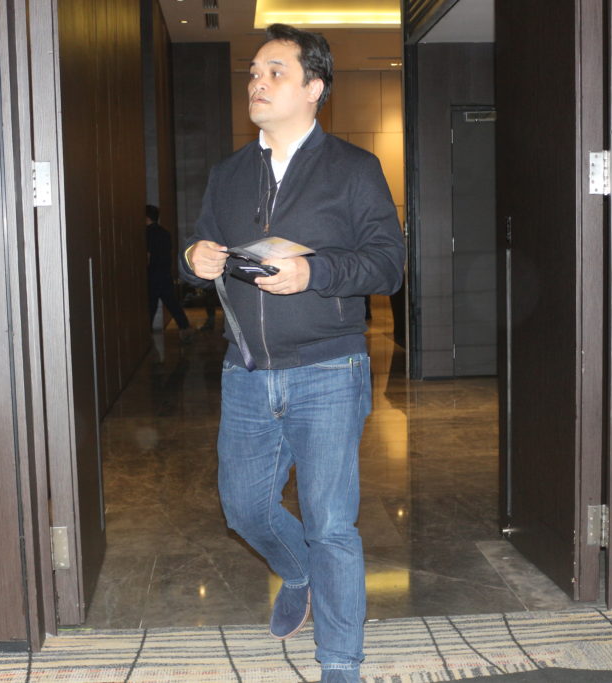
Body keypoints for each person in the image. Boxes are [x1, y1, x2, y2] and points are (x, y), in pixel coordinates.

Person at [179, 24, 405, 682]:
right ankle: (297, 570)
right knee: (244, 508)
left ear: (314, 88)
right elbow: (202, 250)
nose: (257, 81)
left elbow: (388, 265)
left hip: (329, 368)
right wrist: (193, 257)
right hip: (248, 371)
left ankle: (340, 662)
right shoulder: (228, 174)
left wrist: (315, 272)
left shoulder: (354, 169)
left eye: (275, 71)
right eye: (253, 72)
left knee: (331, 522)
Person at [145, 205, 192, 341]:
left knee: (151, 306)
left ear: (146, 217)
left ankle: (146, 335)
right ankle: (185, 328)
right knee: (172, 303)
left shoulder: (146, 233)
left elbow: (148, 255)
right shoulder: (165, 233)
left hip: (152, 274)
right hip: (165, 273)